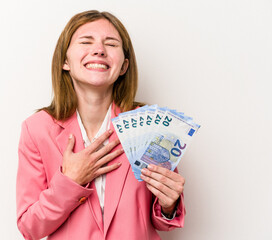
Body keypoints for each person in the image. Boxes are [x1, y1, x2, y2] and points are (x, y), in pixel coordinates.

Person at [16, 10, 185, 240]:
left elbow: (162, 220)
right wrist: (70, 181)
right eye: (86, 41)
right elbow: (30, 227)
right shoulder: (37, 129)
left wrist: (169, 205)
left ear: (124, 66)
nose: (99, 50)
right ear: (65, 61)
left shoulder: (150, 126)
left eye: (111, 43)